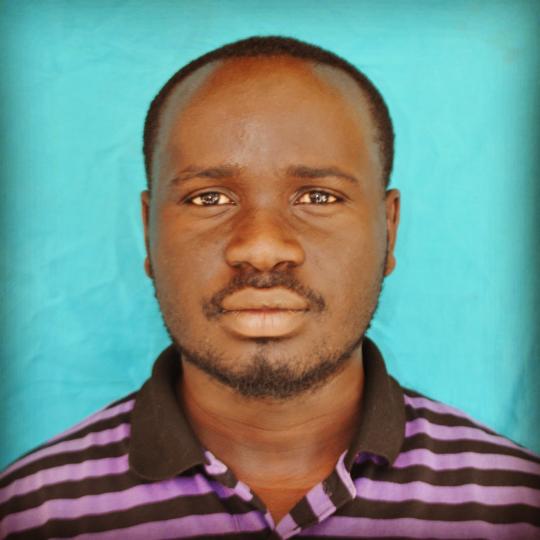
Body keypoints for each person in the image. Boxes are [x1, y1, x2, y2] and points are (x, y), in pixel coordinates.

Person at [1, 35, 539, 540]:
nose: (261, 248)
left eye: (318, 197)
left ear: (389, 228)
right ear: (148, 231)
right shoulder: (31, 512)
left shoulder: (516, 505)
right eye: (209, 199)